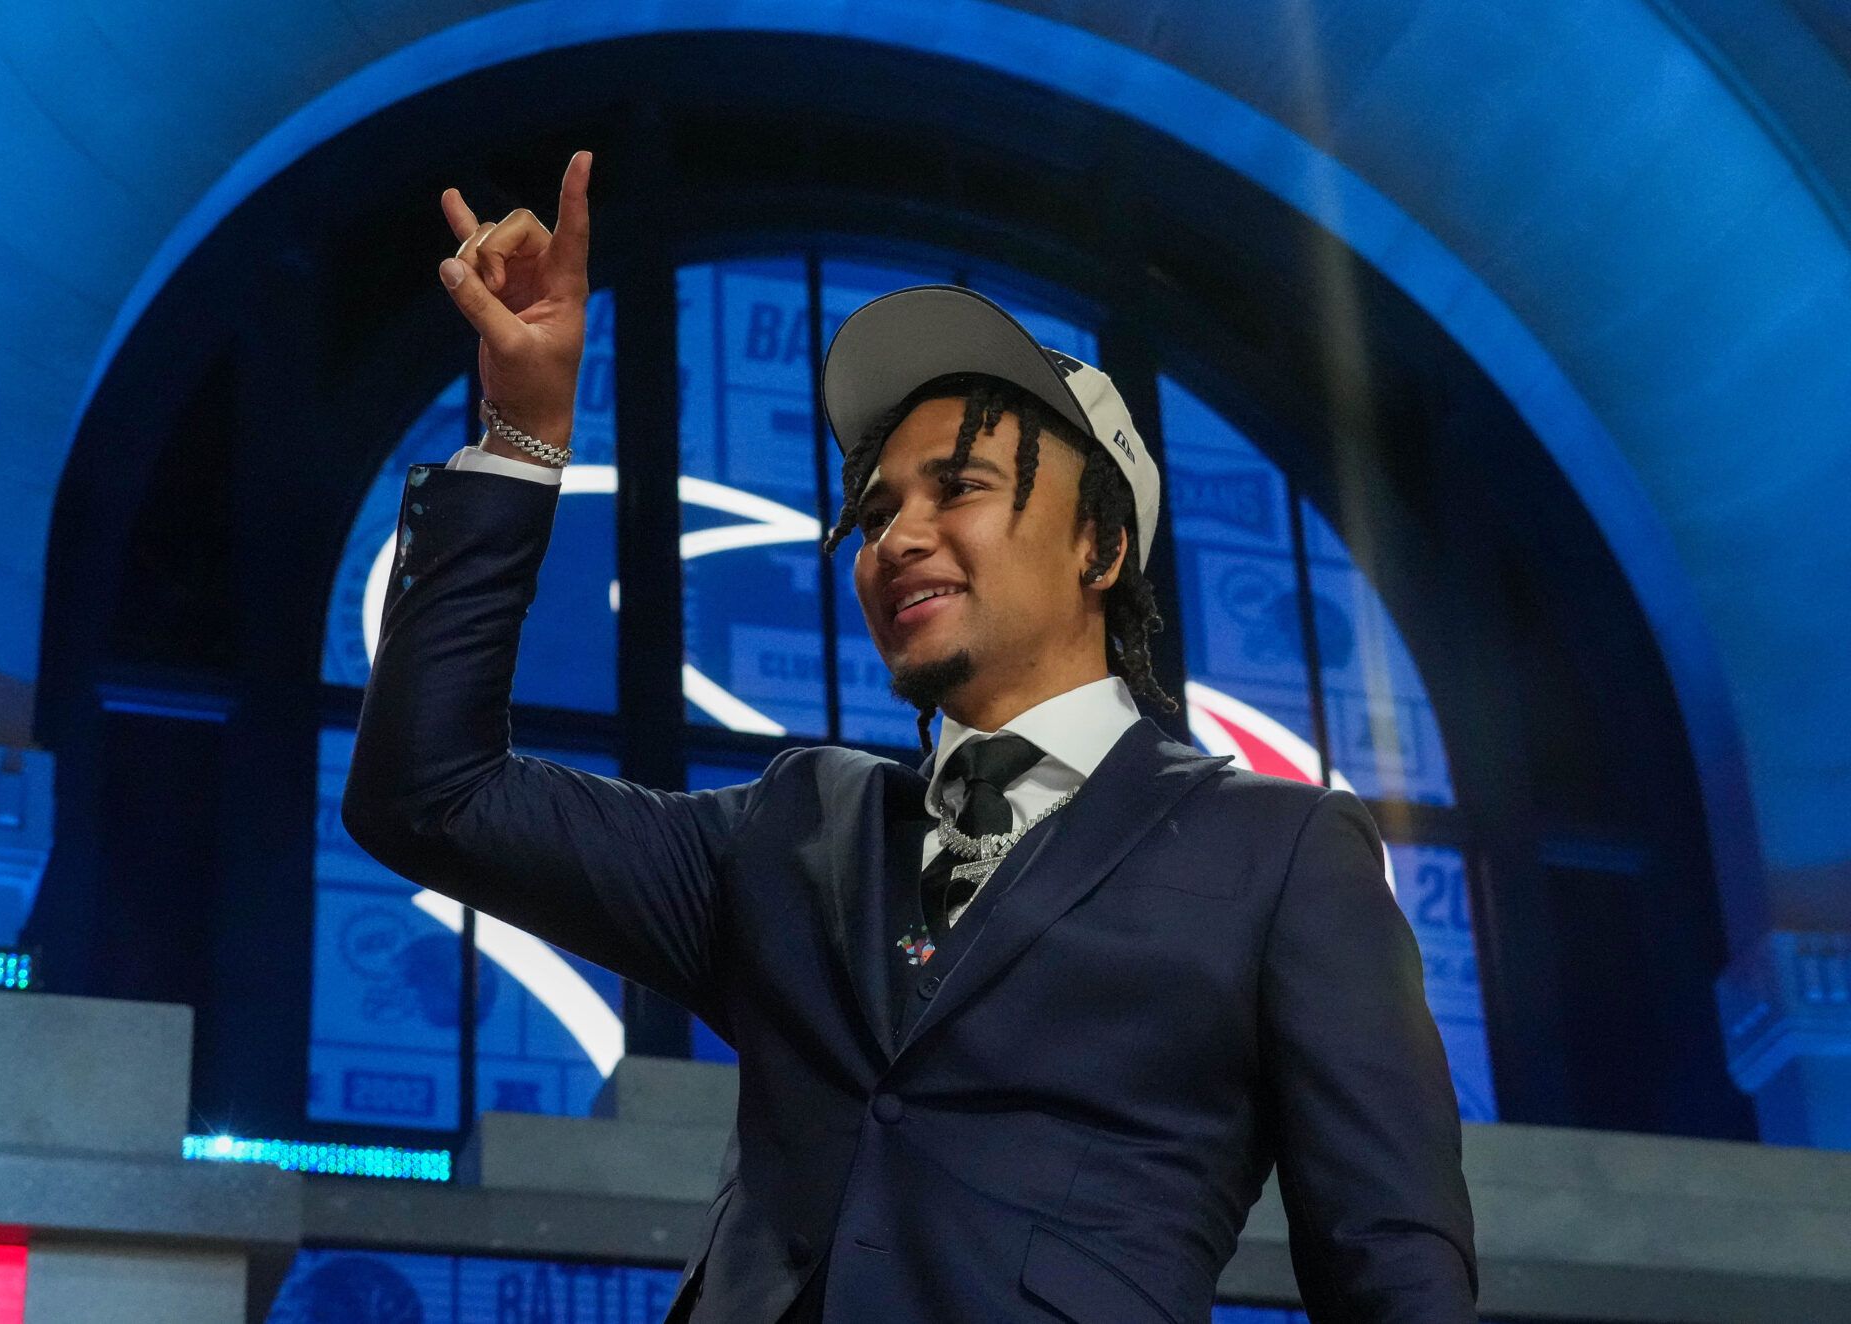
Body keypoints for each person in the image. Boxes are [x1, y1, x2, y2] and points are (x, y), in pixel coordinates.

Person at [342, 150, 1479, 1323]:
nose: (897, 537)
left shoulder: (1283, 853)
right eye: (876, 510)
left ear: (1101, 546)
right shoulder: (791, 827)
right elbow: (431, 794)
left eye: (961, 488)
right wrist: (524, 433)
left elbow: (1391, 1259)